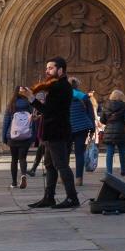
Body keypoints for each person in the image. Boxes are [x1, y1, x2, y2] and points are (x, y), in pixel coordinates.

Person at [28, 57, 80, 209]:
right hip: (52, 132)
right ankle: (49, 197)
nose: (47, 71)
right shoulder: (56, 86)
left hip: (58, 132)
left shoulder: (61, 87)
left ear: (60, 70)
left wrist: (31, 98)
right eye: (47, 68)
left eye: (50, 68)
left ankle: (72, 198)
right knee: (50, 165)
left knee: (61, 165)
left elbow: (48, 110)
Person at [2, 87, 36, 189]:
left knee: (14, 159)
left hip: (13, 136)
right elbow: (33, 121)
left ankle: (14, 182)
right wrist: (33, 136)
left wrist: (4, 136)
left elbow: (6, 122)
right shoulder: (29, 105)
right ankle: (23, 175)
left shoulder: (11, 105)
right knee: (22, 158)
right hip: (25, 135)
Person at [68, 77, 96, 180]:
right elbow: (91, 113)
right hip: (82, 127)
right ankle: (79, 178)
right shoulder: (83, 96)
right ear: (77, 85)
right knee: (79, 153)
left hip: (67, 128)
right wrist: (92, 128)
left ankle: (62, 177)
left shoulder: (63, 96)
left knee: (65, 153)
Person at [100, 90, 125, 175]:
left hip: (109, 131)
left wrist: (109, 123)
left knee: (109, 151)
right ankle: (123, 169)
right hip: (120, 131)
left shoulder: (106, 105)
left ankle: (109, 172)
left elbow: (102, 120)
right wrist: (122, 123)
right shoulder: (123, 106)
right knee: (122, 150)